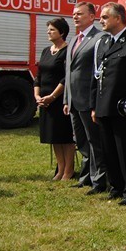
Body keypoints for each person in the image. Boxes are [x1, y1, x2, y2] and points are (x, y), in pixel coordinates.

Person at [90, 2, 126, 205]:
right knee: (108, 149)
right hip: (104, 105)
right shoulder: (102, 43)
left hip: (122, 106)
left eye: (105, 17)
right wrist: (94, 105)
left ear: (118, 18)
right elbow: (95, 76)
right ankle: (116, 186)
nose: (101, 20)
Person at [64, 2, 107, 194]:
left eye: (79, 14)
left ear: (92, 16)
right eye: (73, 14)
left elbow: (98, 72)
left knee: (94, 141)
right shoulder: (73, 40)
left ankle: (99, 180)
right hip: (74, 100)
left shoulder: (99, 38)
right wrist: (66, 99)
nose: (75, 17)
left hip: (88, 99)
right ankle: (86, 177)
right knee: (81, 141)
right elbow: (68, 71)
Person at [35, 17, 75, 181]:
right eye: (48, 29)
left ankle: (68, 170)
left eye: (52, 29)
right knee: (53, 137)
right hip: (45, 101)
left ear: (62, 32)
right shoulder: (45, 51)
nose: (48, 32)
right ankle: (60, 169)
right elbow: (39, 76)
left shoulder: (68, 51)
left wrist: (52, 96)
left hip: (59, 99)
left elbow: (66, 78)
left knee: (64, 136)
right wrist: (37, 96)